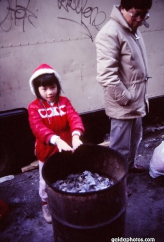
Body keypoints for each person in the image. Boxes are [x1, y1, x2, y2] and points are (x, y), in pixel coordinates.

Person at [95, 0, 152, 177]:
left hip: (135, 99)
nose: (140, 20)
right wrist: (126, 99)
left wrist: (136, 98)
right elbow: (106, 75)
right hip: (124, 103)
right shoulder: (110, 33)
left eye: (144, 15)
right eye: (136, 14)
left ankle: (130, 165)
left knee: (135, 139)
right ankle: (117, 178)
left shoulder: (132, 30)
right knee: (120, 146)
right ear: (122, 9)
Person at [28, 64, 85, 223]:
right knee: (44, 180)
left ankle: (65, 199)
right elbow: (37, 128)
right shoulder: (34, 108)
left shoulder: (65, 102)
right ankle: (46, 203)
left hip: (66, 149)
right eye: (44, 89)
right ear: (36, 89)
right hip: (46, 152)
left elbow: (74, 117)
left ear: (58, 86)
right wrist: (56, 140)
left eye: (52, 87)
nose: (49, 92)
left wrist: (75, 135)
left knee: (66, 174)